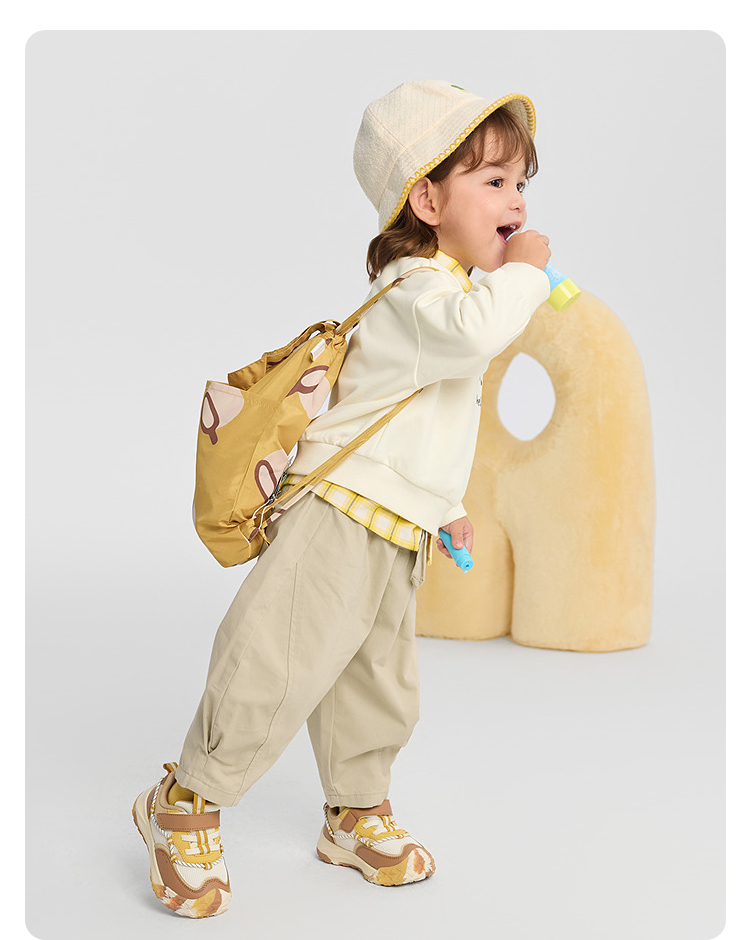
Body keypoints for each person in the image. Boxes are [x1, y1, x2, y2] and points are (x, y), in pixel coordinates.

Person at [132, 79, 552, 918]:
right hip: (337, 512)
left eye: (521, 184)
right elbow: (474, 334)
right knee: (275, 660)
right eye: (494, 181)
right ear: (426, 200)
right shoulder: (417, 288)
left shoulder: (450, 292)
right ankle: (184, 798)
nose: (517, 201)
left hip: (395, 521)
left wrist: (444, 505)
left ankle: (355, 811)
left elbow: (426, 422)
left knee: (379, 680)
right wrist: (528, 273)